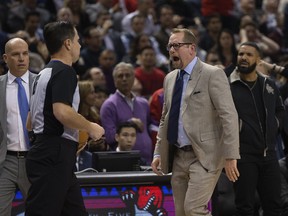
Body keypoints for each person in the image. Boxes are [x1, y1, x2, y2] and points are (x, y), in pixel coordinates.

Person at [151, 28, 240, 216]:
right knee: (182, 212)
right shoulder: (169, 78)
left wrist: (231, 155)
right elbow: (165, 118)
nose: (172, 50)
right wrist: (159, 151)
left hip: (205, 155)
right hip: (177, 156)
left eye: (176, 45)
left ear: (192, 48)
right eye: (169, 46)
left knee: (194, 210)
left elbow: (229, 115)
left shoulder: (212, 74)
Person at [25, 21, 104, 216]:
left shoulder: (42, 74)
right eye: (78, 41)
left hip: (51, 151)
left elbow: (29, 122)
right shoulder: (65, 71)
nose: (80, 45)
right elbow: (61, 111)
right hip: (54, 154)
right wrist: (90, 127)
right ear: (68, 44)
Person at [228, 41, 285, 216]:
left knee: (275, 205)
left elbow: (280, 110)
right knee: (245, 207)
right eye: (240, 54)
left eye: (249, 54)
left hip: (269, 154)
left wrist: (275, 125)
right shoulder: (227, 84)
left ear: (258, 59)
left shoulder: (269, 84)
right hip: (243, 155)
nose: (243, 57)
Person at [0, 37, 36, 215]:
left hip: (35, 159)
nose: (22, 58)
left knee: (41, 210)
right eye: (16, 54)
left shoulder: (41, 84)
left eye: (25, 53)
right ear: (5, 58)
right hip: (6, 161)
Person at [100, 62, 153, 165]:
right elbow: (110, 136)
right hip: (124, 162)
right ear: (115, 81)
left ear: (134, 78)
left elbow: (149, 130)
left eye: (128, 75)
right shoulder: (109, 105)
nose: (124, 79)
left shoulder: (144, 103)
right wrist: (129, 123)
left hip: (147, 160)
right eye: (120, 76)